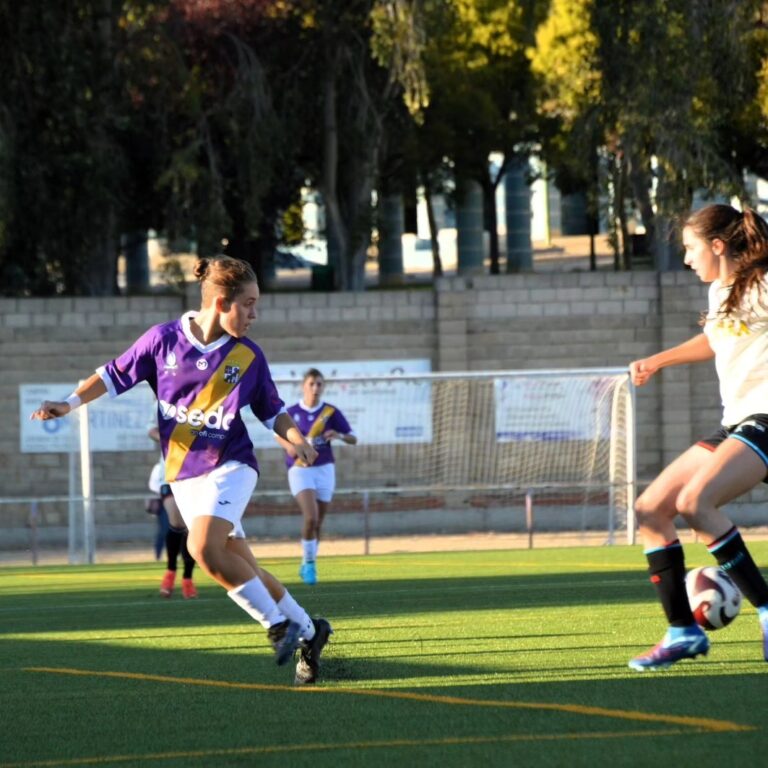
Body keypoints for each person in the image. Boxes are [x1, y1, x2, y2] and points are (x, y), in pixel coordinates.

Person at [30, 256, 332, 685]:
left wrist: (296, 439)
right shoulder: (163, 340)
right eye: (248, 304)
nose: (254, 314)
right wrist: (68, 403)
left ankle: (275, 627)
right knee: (241, 564)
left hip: (231, 465)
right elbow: (112, 375)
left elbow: (272, 411)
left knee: (202, 549)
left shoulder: (248, 356)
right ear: (222, 302)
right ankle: (308, 630)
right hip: (184, 476)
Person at [628, 203, 768, 671]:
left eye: (689, 249)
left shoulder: (764, 284)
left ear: (716, 245)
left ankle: (767, 609)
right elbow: (715, 339)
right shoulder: (720, 291)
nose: (686, 259)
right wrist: (657, 361)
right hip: (737, 422)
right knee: (650, 509)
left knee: (695, 503)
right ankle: (683, 632)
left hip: (766, 421)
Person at [275, 368, 357, 585]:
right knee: (310, 517)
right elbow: (277, 433)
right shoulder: (291, 411)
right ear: (303, 386)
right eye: (311, 383)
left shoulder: (330, 412)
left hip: (324, 469)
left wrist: (338, 435)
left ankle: (307, 561)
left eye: (319, 384)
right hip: (300, 469)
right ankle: (310, 565)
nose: (315, 388)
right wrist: (289, 447)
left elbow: (353, 438)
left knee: (318, 522)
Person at [148, 424, 198, 599]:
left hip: (197, 473)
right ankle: (170, 572)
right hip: (170, 475)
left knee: (190, 527)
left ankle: (188, 578)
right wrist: (173, 439)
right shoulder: (162, 399)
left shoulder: (204, 401)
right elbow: (152, 430)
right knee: (176, 522)